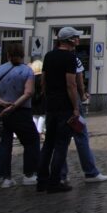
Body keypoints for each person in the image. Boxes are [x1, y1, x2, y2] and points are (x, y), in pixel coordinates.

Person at [0, 43, 39, 187]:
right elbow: (28, 92)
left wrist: (2, 103)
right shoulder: (27, 71)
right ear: (22, 54)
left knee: (2, 144)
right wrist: (13, 105)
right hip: (20, 111)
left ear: (7, 54)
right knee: (31, 141)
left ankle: (4, 178)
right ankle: (29, 174)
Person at [36, 27, 82, 192]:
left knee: (48, 143)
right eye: (76, 37)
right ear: (69, 40)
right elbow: (71, 84)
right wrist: (75, 107)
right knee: (61, 144)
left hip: (51, 104)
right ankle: (54, 182)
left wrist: (47, 96)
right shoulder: (69, 57)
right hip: (64, 105)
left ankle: (41, 180)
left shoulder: (49, 55)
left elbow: (43, 79)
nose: (78, 40)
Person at [60, 56, 107, 184]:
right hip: (73, 102)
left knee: (60, 140)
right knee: (81, 137)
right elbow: (77, 82)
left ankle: (61, 174)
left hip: (57, 103)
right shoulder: (74, 59)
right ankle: (90, 172)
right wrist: (81, 96)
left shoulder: (49, 57)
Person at [30, 59, 45, 135]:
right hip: (42, 98)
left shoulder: (31, 78)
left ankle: (34, 131)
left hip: (33, 98)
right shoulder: (43, 77)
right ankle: (39, 131)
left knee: (35, 116)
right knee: (42, 115)